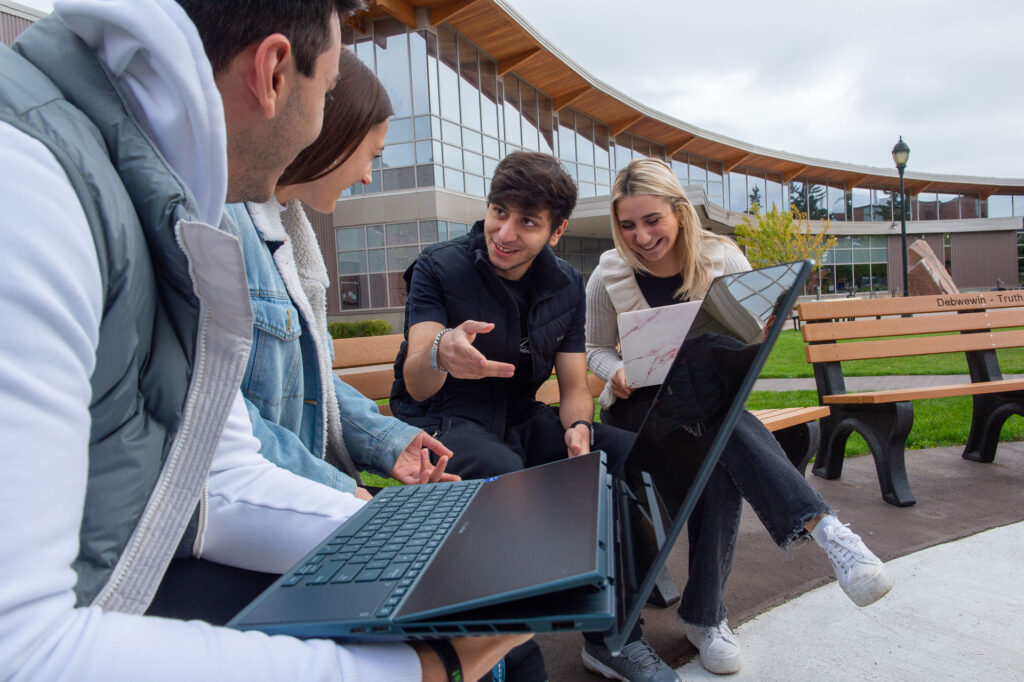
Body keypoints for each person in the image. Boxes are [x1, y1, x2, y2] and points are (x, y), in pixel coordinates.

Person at [0, 0, 525, 678]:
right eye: (329, 89)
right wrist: (419, 670)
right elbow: (20, 651)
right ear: (274, 71)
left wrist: (438, 545)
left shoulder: (145, 186)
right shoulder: (30, 188)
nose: (324, 123)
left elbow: (219, 471)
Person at [585, 158, 894, 675]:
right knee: (722, 432)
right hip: (639, 415)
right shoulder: (608, 272)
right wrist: (614, 370)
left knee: (716, 443)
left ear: (680, 212)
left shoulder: (722, 259)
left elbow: (749, 342)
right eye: (628, 224)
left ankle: (708, 618)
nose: (640, 236)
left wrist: (763, 329)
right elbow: (593, 347)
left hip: (709, 407)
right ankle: (826, 533)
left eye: (652, 220)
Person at [391, 151, 678, 682]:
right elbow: (414, 380)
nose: (505, 231)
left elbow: (573, 387)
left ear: (557, 229)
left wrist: (578, 428)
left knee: (614, 458)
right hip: (442, 418)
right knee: (508, 476)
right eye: (499, 212)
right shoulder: (438, 266)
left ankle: (612, 640)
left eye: (527, 222)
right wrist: (440, 354)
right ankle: (515, 659)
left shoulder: (566, 284)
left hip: (522, 416)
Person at [224, 48, 457, 500]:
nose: (368, 177)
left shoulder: (286, 230)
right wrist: (337, 492)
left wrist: (388, 441)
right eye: (372, 154)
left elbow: (310, 384)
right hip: (263, 503)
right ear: (335, 137)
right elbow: (223, 415)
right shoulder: (229, 225)